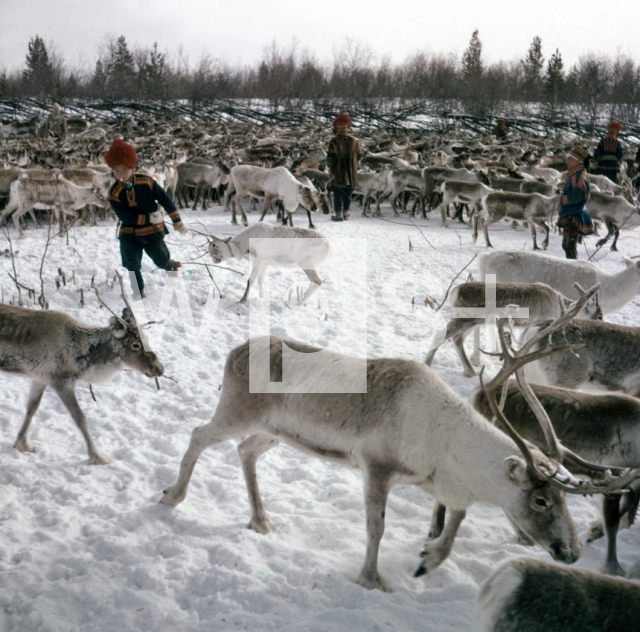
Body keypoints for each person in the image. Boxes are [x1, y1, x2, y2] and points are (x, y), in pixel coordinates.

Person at [105, 138, 188, 299]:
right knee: (131, 264)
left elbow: (165, 199)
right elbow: (125, 216)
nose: (119, 174)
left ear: (131, 166)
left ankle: (169, 266)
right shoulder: (113, 192)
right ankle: (138, 291)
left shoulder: (147, 182)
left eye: (122, 170)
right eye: (115, 171)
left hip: (152, 232)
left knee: (161, 259)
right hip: (129, 233)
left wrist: (177, 220)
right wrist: (150, 218)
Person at [557, 145, 594, 259]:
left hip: (574, 215)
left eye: (570, 159)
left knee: (570, 246)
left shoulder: (579, 176)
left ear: (577, 161)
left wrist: (562, 199)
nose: (567, 161)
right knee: (566, 245)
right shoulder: (575, 174)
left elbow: (577, 197)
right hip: (571, 213)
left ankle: (574, 269)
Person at [326, 113, 361, 222]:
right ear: (348, 127)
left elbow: (330, 157)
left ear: (336, 128)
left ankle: (338, 214)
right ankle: (346, 213)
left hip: (338, 172)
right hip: (351, 173)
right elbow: (359, 155)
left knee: (337, 194)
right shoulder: (354, 141)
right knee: (348, 193)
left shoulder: (334, 141)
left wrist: (330, 167)